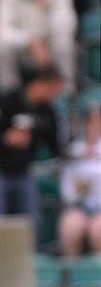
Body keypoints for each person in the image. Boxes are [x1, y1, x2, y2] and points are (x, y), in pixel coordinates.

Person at [0, 66, 63, 243]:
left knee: (33, 220)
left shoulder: (47, 111)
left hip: (23, 171)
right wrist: (6, 139)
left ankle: (30, 261)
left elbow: (55, 145)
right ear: (39, 84)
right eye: (51, 88)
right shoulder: (8, 101)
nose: (53, 94)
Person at [57, 101, 101, 256]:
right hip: (80, 207)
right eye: (90, 122)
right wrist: (78, 189)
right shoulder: (74, 151)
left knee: (99, 229)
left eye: (98, 122)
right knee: (70, 225)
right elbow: (68, 194)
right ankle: (71, 273)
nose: (94, 126)